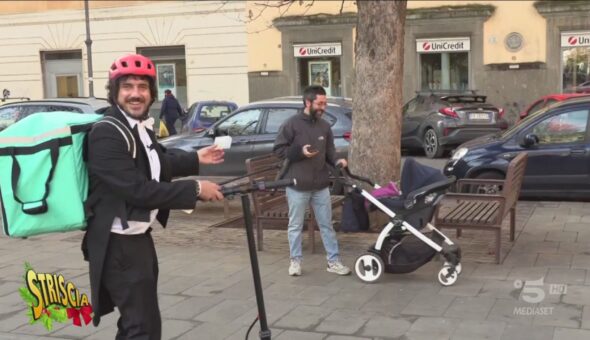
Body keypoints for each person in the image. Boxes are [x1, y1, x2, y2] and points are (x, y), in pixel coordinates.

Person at [82, 53, 224, 339]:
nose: (136, 94)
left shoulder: (136, 127)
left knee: (139, 323)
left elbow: (158, 162)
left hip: (136, 238)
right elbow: (138, 189)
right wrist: (196, 190)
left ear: (151, 93)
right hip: (117, 244)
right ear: (115, 93)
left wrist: (196, 158)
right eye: (128, 87)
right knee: (142, 328)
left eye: (142, 87)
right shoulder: (106, 134)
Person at [273, 85, 350, 276]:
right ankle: (295, 262)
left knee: (327, 225)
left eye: (325, 103)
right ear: (308, 102)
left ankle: (333, 262)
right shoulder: (291, 124)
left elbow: (329, 151)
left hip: (321, 185)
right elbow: (278, 150)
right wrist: (300, 152)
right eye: (320, 103)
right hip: (297, 185)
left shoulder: (325, 126)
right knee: (295, 225)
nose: (323, 107)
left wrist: (337, 160)